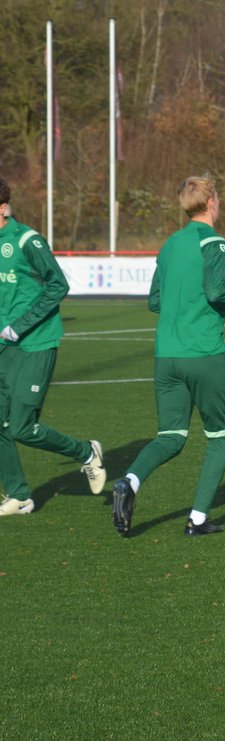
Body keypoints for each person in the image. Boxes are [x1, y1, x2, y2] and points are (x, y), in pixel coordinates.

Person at [111, 176, 225, 537]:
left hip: (166, 357)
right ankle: (196, 519)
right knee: (220, 437)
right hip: (204, 356)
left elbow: (155, 301)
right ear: (211, 202)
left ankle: (130, 480)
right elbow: (215, 292)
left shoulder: (170, 244)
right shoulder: (216, 242)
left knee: (172, 436)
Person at [0, 178, 106, 514]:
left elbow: (58, 285)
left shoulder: (26, 240)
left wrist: (18, 326)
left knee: (22, 427)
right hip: (3, 347)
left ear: (3, 208)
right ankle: (19, 496)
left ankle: (86, 452)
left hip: (35, 343)